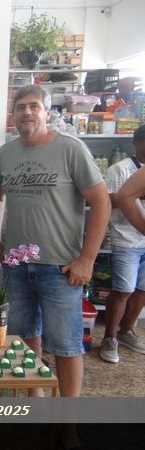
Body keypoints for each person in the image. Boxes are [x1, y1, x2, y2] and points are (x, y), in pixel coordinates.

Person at [0, 84, 111, 450]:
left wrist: (87, 259)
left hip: (61, 268)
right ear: (13, 115)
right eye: (20, 107)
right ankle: (36, 400)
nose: (26, 112)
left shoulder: (70, 149)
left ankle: (68, 424)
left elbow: (101, 202)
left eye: (33, 106)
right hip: (17, 267)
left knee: (67, 346)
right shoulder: (6, 152)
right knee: (26, 336)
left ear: (47, 112)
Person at [99, 125, 145, 363]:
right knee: (124, 289)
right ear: (137, 143)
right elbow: (105, 201)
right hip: (126, 238)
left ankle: (126, 331)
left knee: (142, 289)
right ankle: (109, 337)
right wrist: (137, 193)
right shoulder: (120, 169)